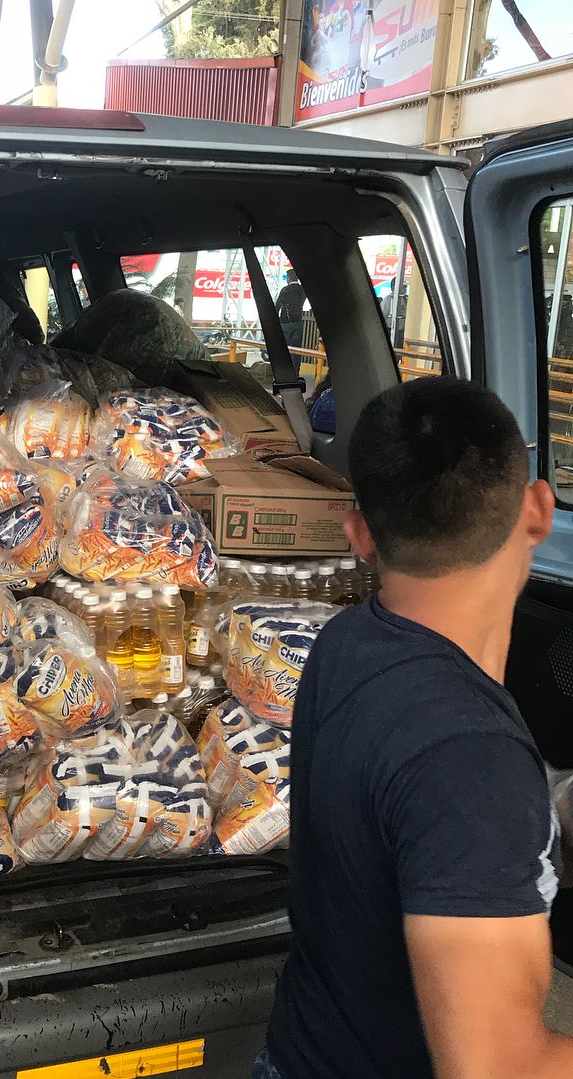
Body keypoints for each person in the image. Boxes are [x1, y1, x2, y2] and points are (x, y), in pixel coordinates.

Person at [255, 377, 573, 1078]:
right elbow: (499, 1069)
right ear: (539, 509)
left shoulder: (346, 645)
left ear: (361, 535)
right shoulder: (470, 757)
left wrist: (542, 825)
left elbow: (413, 825)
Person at [275, 269, 306, 364]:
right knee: (296, 350)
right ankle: (296, 370)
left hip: (285, 324)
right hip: (298, 322)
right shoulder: (302, 289)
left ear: (288, 278)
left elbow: (277, 307)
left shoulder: (285, 290)